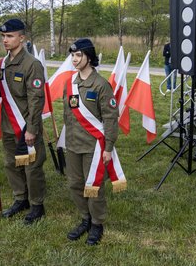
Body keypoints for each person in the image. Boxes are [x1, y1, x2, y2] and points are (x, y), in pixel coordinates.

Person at [63, 38, 121, 245]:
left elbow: (111, 118)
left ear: (89, 57)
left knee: (94, 186)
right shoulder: (70, 83)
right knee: (75, 184)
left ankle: (97, 223)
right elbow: (67, 115)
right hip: (72, 144)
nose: (74, 59)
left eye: (79, 55)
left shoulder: (101, 85)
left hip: (93, 147)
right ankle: (85, 219)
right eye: (72, 55)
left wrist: (108, 147)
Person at [0, 19, 46, 224]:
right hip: (7, 124)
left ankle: (37, 204)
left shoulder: (32, 64)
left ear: (22, 38)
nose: (5, 40)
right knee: (11, 164)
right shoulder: (2, 63)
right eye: (3, 36)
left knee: (32, 167)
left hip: (26, 126)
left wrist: (31, 129)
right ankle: (20, 198)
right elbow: (0, 92)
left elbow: (36, 99)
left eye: (10, 36)